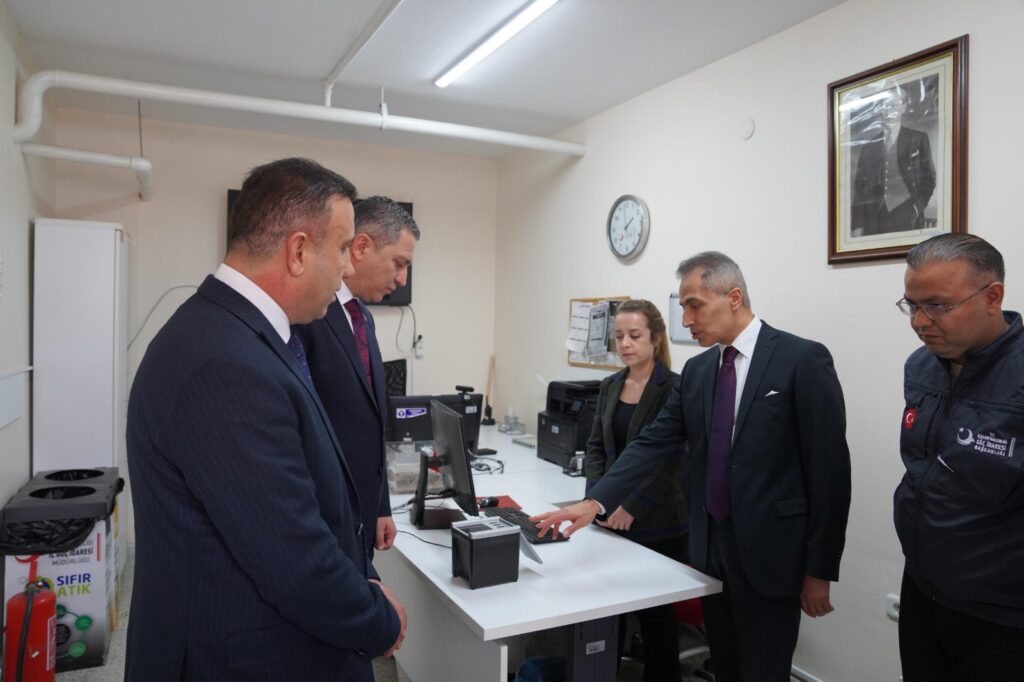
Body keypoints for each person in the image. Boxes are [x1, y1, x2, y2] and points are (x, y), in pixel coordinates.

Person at [125, 158, 406, 682]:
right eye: (342, 248)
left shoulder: (235, 332)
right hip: (245, 656)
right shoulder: (224, 363)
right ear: (298, 252)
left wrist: (361, 574)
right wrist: (377, 620)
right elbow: (293, 558)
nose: (348, 269)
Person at [534, 251, 851, 682]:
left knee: (763, 672)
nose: (685, 320)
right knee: (726, 666)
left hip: (772, 553)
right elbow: (653, 443)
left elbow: (830, 474)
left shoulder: (801, 359)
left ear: (733, 297)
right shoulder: (699, 370)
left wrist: (819, 570)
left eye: (694, 305)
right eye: (683, 307)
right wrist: (594, 503)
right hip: (710, 550)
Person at [894, 233, 1024, 681]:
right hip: (923, 587)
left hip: (1001, 613)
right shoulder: (921, 365)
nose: (920, 321)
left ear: (992, 297)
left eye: (938, 306)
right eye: (912, 305)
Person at [297, 196, 419, 558]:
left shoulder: (361, 316)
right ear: (362, 246)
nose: (402, 279)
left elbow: (368, 422)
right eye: (399, 263)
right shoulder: (310, 315)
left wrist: (379, 505)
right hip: (324, 517)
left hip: (360, 515)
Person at [585, 299, 688, 682]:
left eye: (634, 335)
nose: (625, 344)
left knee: (656, 621)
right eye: (619, 336)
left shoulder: (674, 387)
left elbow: (672, 458)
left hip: (658, 521)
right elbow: (595, 447)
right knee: (606, 614)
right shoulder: (610, 385)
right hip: (608, 519)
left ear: (656, 338)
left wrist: (630, 505)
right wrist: (596, 499)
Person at [851, 84, 937, 236]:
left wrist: (915, 208)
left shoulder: (918, 139)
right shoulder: (868, 148)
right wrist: (858, 226)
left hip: (907, 215)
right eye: (884, 106)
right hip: (874, 219)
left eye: (893, 105)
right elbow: (859, 189)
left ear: (903, 108)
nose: (888, 110)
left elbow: (929, 180)